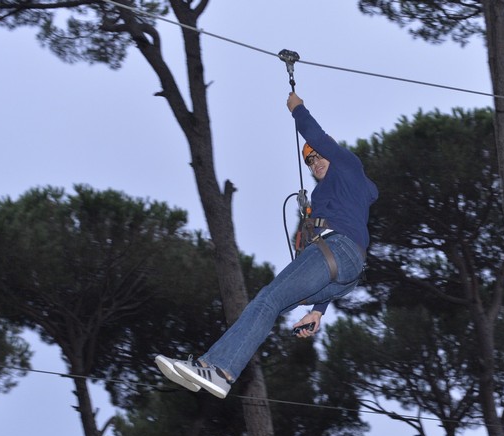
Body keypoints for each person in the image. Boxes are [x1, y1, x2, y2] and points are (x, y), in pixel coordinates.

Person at [155, 92, 378, 398]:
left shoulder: (348, 164)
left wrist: (296, 107)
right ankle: (212, 368)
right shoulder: (337, 194)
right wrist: (319, 310)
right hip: (345, 271)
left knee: (267, 299)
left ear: (331, 150)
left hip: (338, 251)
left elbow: (314, 133)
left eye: (317, 154)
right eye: (308, 160)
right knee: (272, 305)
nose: (313, 162)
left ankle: (218, 369)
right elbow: (337, 257)